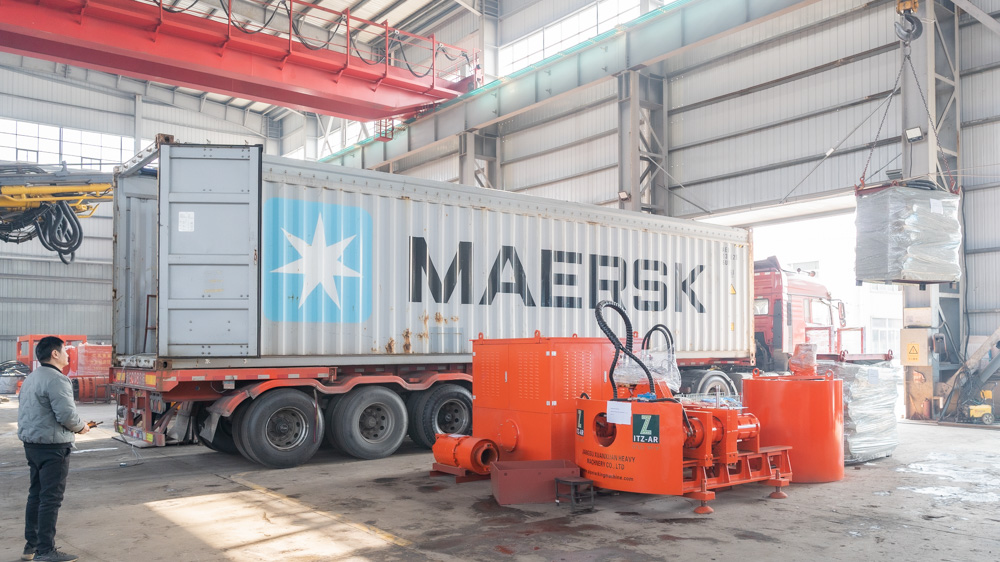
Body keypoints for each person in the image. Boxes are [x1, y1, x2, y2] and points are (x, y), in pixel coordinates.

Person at [17, 336, 89, 562]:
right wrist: (82, 427)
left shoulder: (31, 378)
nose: (68, 355)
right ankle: (45, 551)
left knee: (36, 495)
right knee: (50, 499)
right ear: (55, 354)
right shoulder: (57, 379)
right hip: (53, 447)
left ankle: (31, 547)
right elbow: (66, 415)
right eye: (65, 351)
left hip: (32, 444)